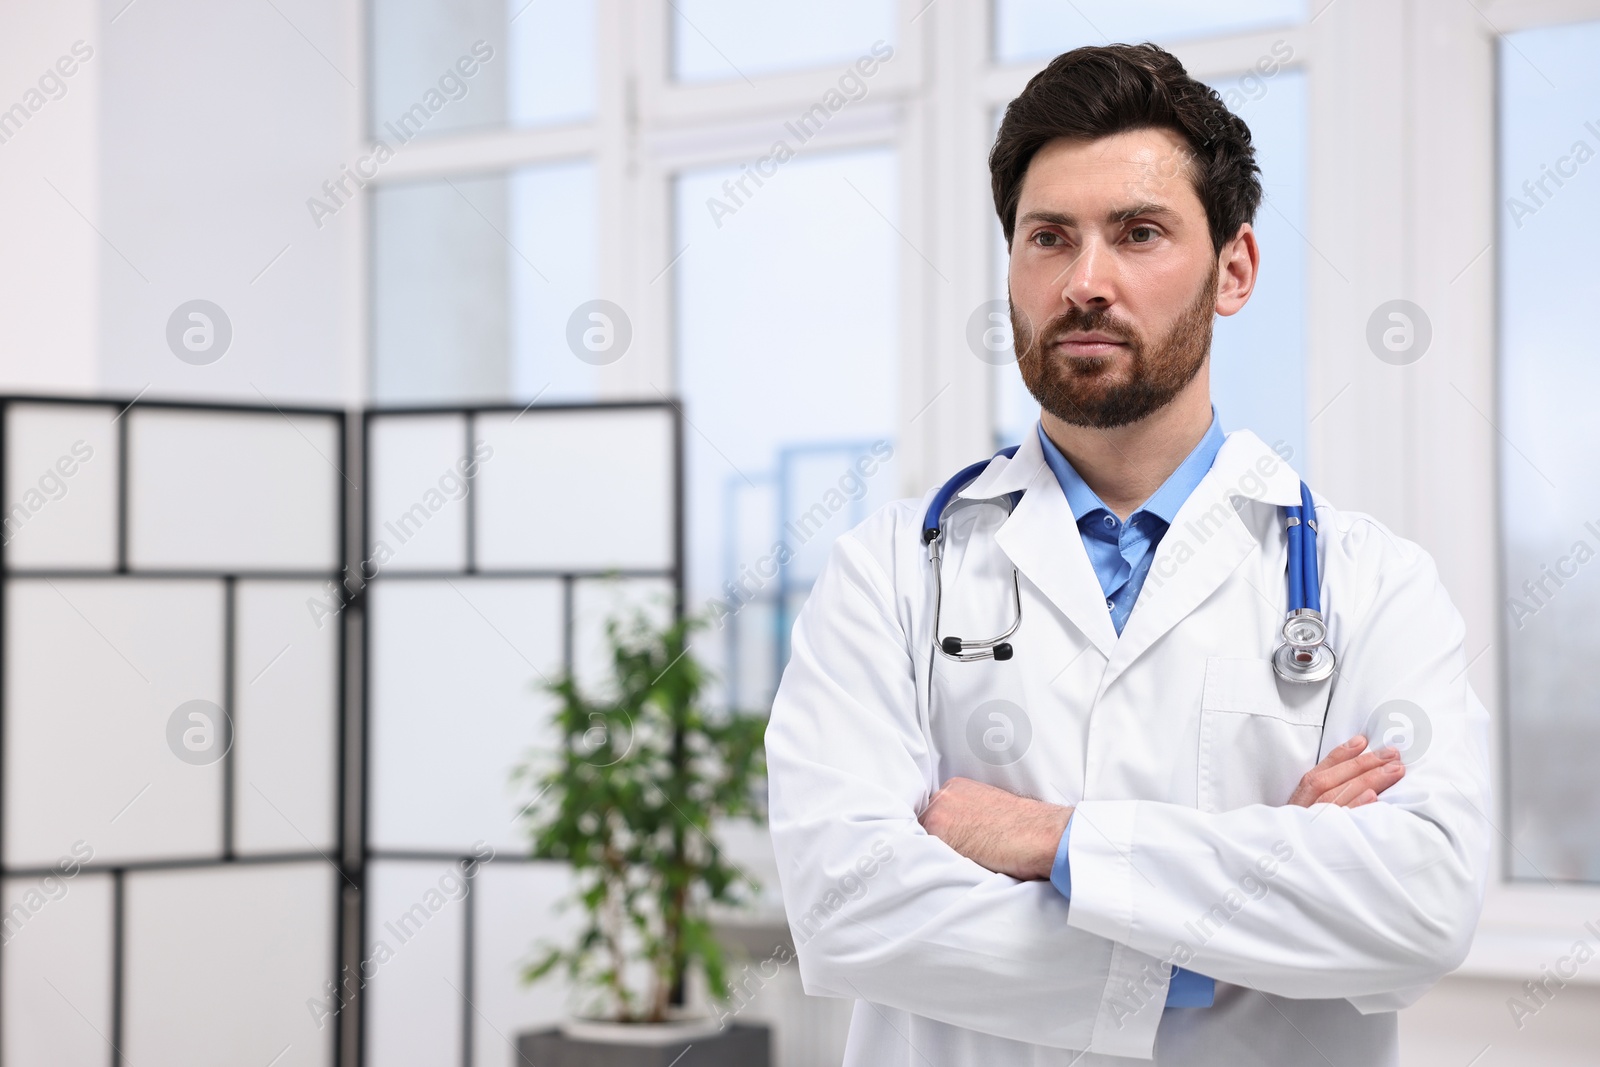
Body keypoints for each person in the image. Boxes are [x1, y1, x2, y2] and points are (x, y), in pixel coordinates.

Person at [764, 42, 1491, 1065]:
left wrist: (1048, 838)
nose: (1085, 282)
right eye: (1048, 238)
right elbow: (846, 902)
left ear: (1233, 268)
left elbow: (1420, 902)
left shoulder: (1375, 584)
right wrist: (1235, 929)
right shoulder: (889, 572)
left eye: (1138, 233)